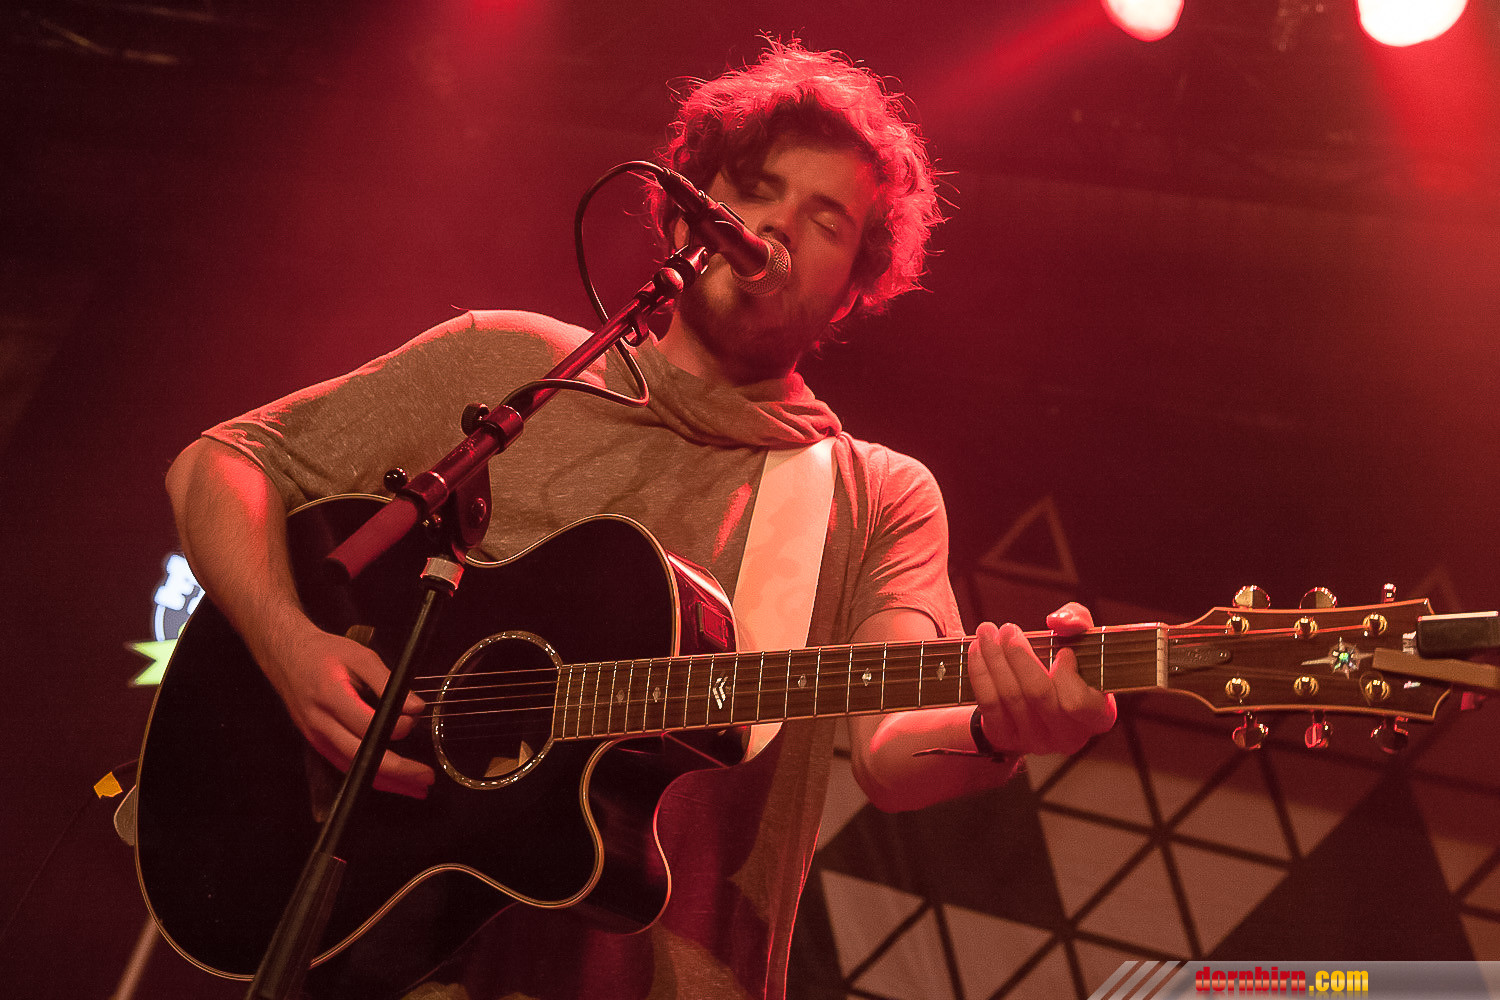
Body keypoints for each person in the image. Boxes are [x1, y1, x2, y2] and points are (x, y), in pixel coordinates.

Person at [164, 40, 1116, 1000]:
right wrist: (290, 646)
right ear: (687, 208)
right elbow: (221, 462)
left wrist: (1001, 728)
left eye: (825, 220)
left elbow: (893, 748)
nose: (776, 225)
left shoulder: (875, 495)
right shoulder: (508, 365)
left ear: (854, 287)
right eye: (754, 191)